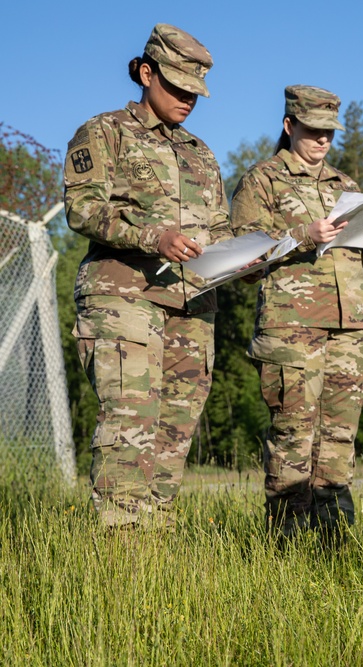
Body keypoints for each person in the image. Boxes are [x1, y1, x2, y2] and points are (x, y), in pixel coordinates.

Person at [64, 24, 231, 528]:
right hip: (124, 298)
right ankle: (118, 558)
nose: (187, 100)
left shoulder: (201, 153)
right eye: (177, 87)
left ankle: (151, 561)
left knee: (174, 437)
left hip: (193, 307)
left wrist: (246, 260)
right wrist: (151, 237)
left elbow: (220, 229)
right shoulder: (104, 131)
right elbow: (82, 209)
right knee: (129, 430)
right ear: (145, 72)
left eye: (194, 93)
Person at [230, 85, 363, 538]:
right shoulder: (263, 180)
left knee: (339, 440)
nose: (323, 140)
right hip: (292, 331)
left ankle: (335, 544)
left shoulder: (346, 186)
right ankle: (288, 548)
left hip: (350, 329)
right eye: (314, 130)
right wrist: (303, 233)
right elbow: (240, 255)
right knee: (294, 439)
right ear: (289, 126)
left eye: (330, 133)